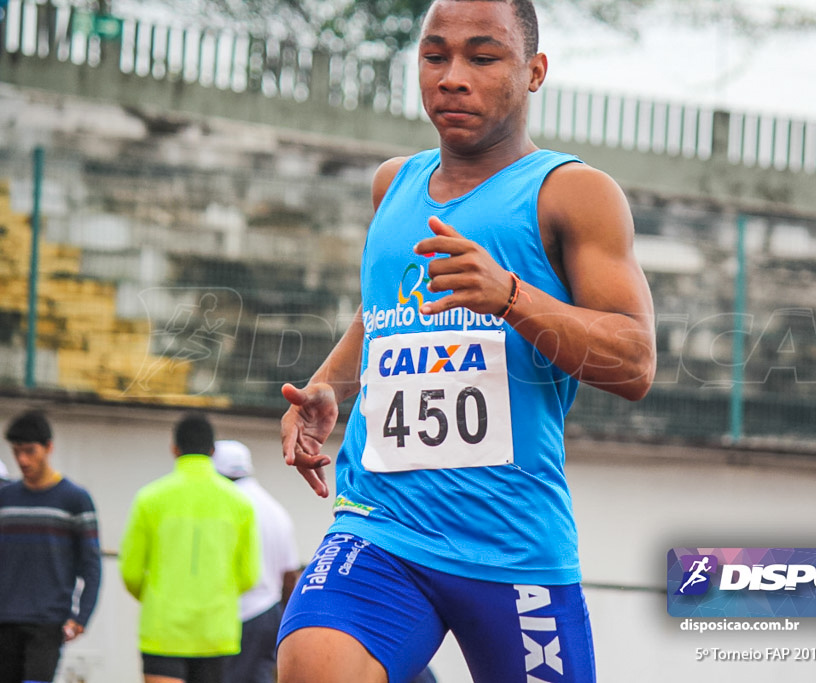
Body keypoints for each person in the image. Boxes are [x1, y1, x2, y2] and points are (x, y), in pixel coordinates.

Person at [277, 0, 656, 681]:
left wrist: (510, 295)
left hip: (511, 545)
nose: (453, 76)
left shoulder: (572, 194)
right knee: (312, 661)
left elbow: (634, 360)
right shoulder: (393, 184)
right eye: (434, 56)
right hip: (380, 523)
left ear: (534, 71)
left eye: (482, 57)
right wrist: (328, 388)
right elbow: (385, 311)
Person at [120, 412, 260, 683]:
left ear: (174, 449)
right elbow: (249, 575)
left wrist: (155, 596)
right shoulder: (240, 504)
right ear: (212, 451)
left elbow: (131, 573)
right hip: (215, 629)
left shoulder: (149, 499)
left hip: (163, 628)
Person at [0, 409, 102, 683]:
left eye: (30, 451)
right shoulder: (5, 498)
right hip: (4, 618)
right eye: (17, 451)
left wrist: (82, 616)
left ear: (48, 447)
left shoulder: (75, 499)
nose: (22, 459)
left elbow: (91, 563)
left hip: (47, 620)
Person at [211, 439, 302, 683]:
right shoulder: (274, 509)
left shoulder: (223, 507)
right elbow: (289, 576)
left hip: (234, 615)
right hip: (268, 615)